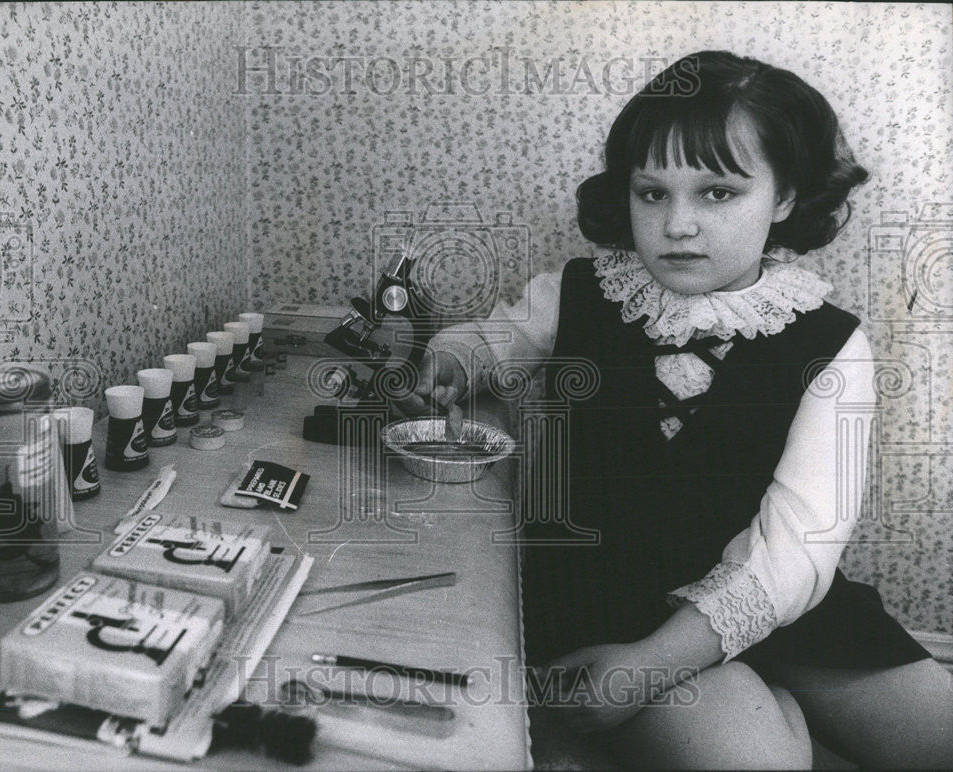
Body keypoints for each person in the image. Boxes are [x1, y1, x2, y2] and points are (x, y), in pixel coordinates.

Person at [398, 51, 952, 768]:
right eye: (652, 193)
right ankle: (767, 714)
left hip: (774, 601)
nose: (678, 224)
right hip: (610, 605)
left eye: (718, 193)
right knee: (751, 761)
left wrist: (661, 666)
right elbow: (487, 344)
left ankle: (778, 698)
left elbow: (798, 551)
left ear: (784, 198)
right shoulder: (578, 293)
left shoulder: (833, 341)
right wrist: (450, 364)